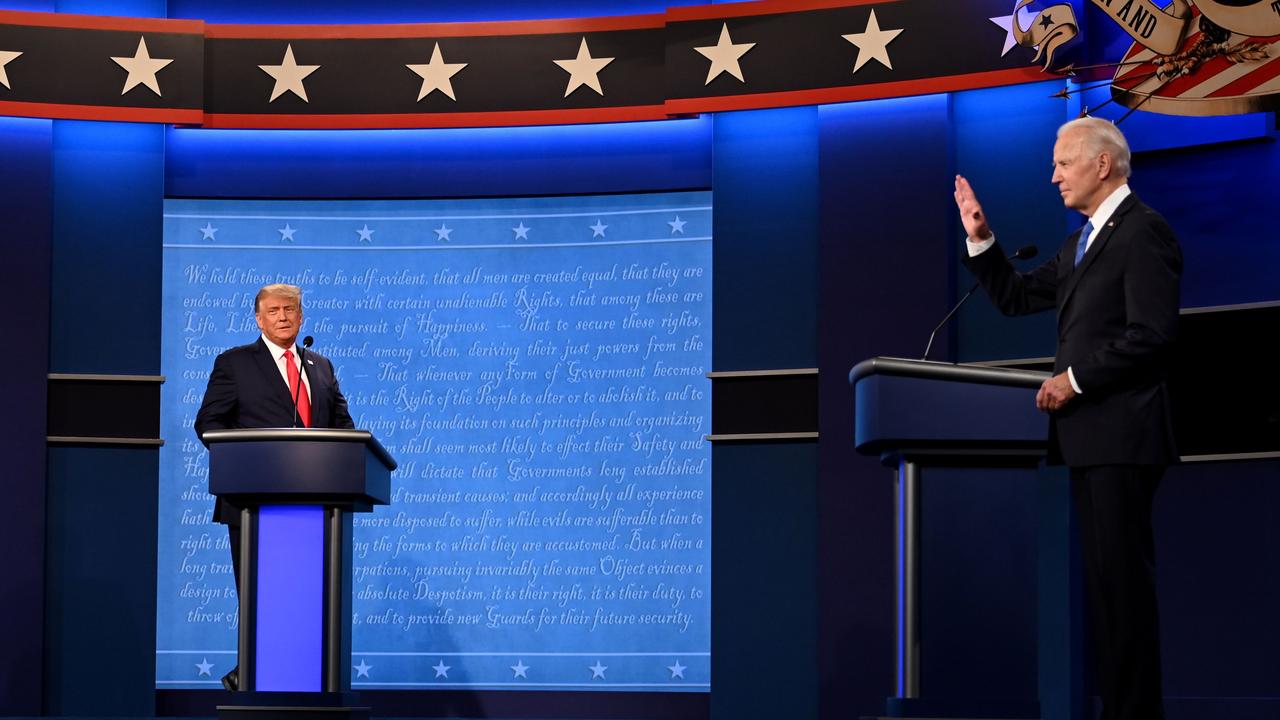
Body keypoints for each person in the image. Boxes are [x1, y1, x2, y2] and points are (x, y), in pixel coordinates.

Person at [954, 117, 1181, 720]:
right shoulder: (1084, 240)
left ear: (1101, 165)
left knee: (1124, 595)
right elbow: (1017, 296)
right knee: (1106, 597)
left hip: (1122, 435)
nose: (1052, 175)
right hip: (1090, 440)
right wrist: (981, 236)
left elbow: (1152, 336)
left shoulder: (1142, 232)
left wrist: (1074, 379)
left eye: (1063, 163)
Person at [194, 283, 355, 691]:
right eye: (273, 310)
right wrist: (250, 458)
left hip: (316, 504)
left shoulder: (321, 366)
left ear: (302, 318)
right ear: (258, 318)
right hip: (254, 501)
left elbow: (344, 429)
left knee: (307, 603)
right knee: (263, 599)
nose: (283, 317)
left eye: (290, 310)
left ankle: (292, 682)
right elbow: (209, 424)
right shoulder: (234, 363)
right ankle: (252, 677)